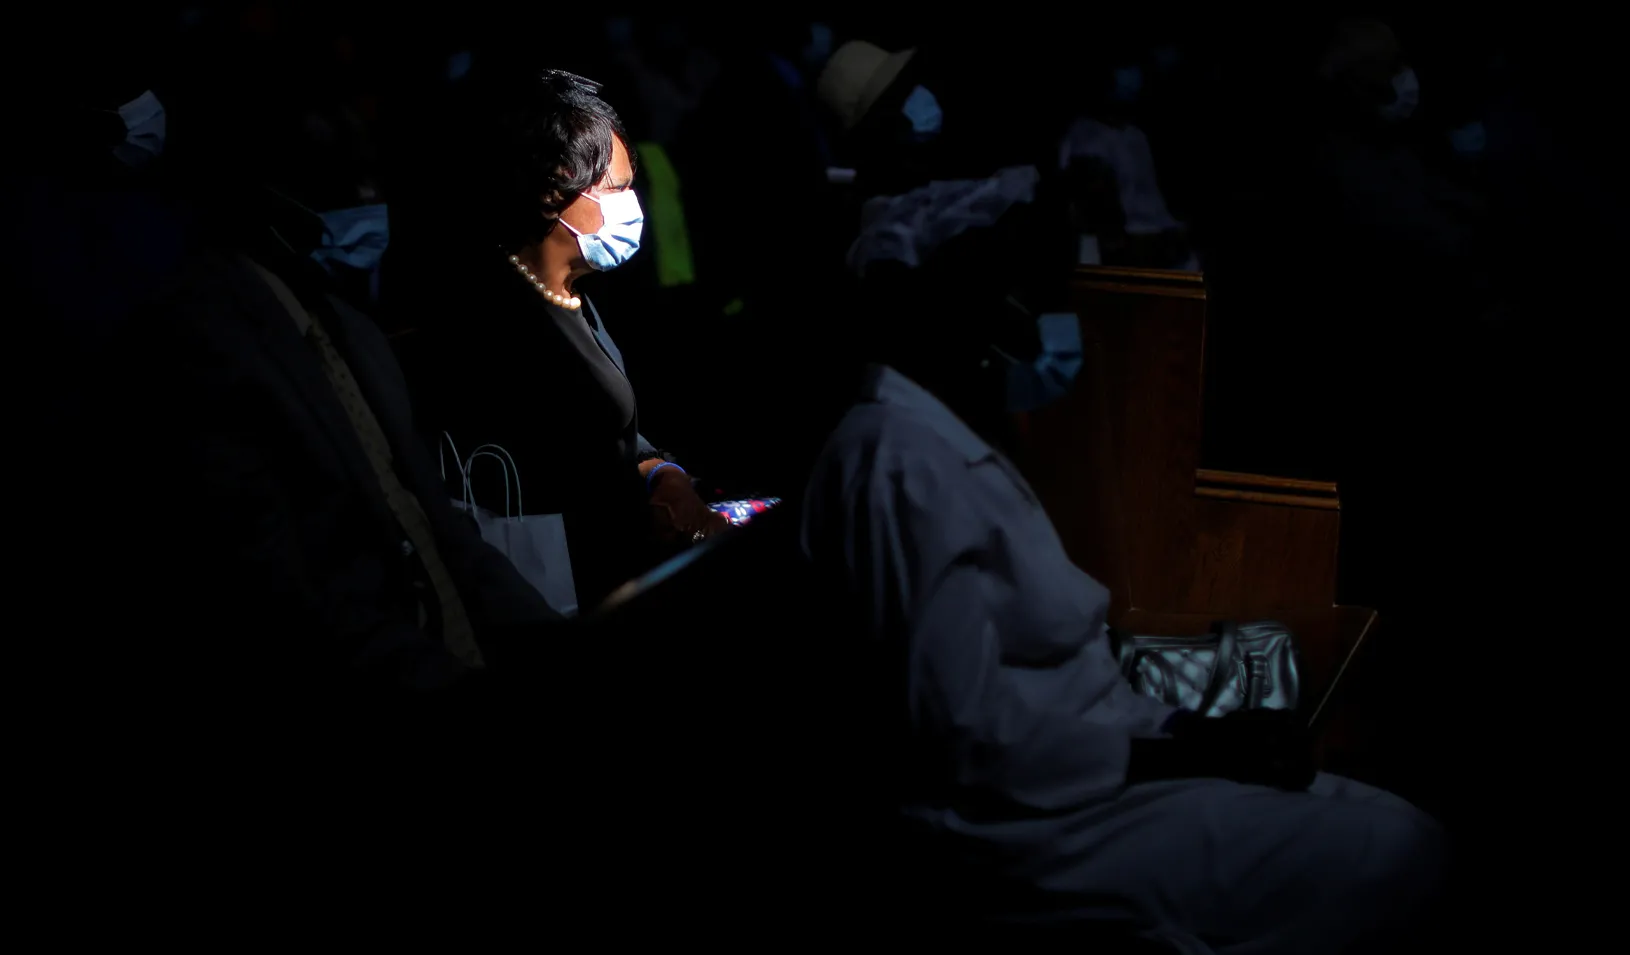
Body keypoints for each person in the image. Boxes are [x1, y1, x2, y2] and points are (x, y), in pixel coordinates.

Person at [796, 89, 1445, 947]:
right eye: (1019, 294)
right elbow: (970, 740)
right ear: (954, 310)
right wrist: (1194, 753)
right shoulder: (898, 464)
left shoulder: (949, 438)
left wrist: (1192, 729)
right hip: (1028, 831)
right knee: (1393, 851)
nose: (1040, 319)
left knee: (1379, 813)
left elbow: (1065, 681)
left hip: (1098, 770)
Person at [383, 69, 726, 612]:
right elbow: (555, 480)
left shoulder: (571, 296)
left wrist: (664, 473)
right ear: (550, 192)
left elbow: (611, 435)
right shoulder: (491, 330)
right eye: (614, 189)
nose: (631, 206)